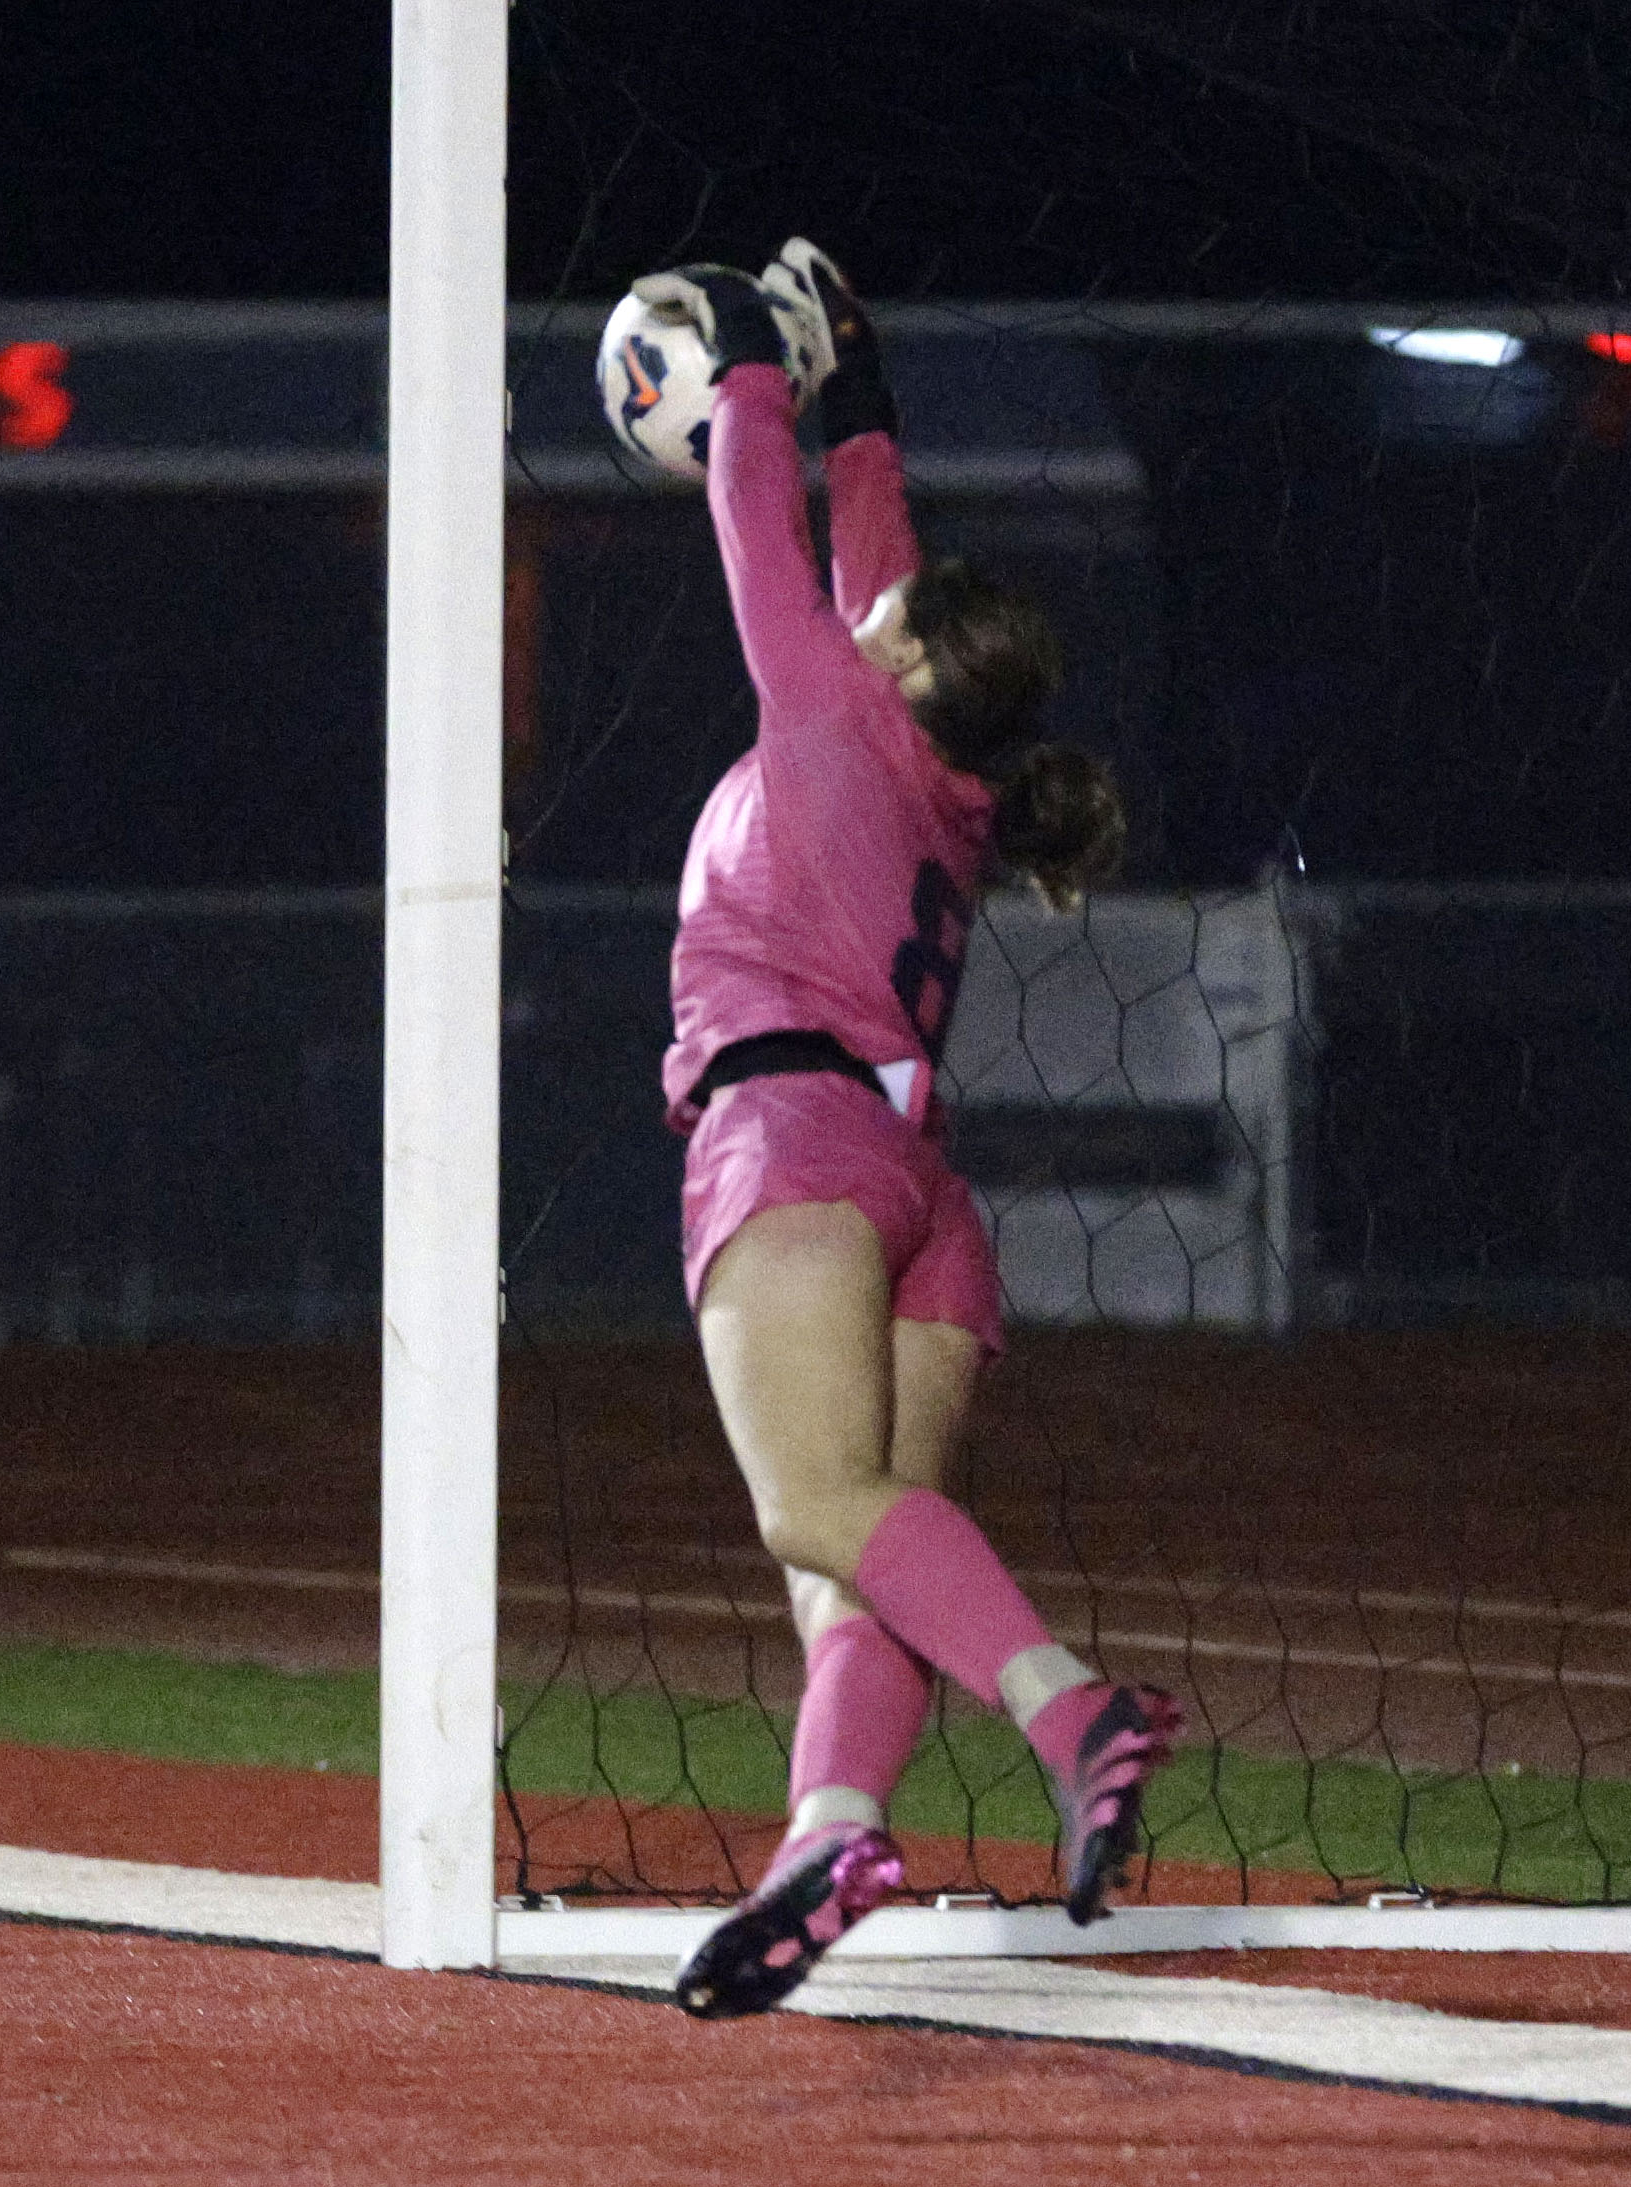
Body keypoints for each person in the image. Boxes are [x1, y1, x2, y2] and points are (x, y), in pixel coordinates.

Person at [647, 241, 1185, 2020]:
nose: (862, 602)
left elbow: (757, 524)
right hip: (917, 1194)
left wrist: (746, 369)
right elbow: (866, 530)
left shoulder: (825, 708)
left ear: (891, 659)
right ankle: (831, 1834)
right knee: (859, 1553)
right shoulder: (939, 767)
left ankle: (1068, 1705)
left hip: (788, 1134)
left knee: (813, 1503)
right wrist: (855, 371)